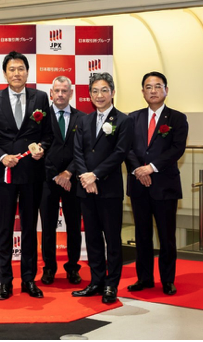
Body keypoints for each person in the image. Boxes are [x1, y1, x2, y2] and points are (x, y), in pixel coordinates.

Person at [0, 51, 53, 300]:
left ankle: (28, 280)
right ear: (5, 73)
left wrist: (41, 148)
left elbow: (48, 135)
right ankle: (5, 282)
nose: (17, 73)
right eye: (12, 69)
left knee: (30, 229)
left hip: (32, 174)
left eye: (21, 68)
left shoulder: (40, 98)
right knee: (5, 229)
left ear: (27, 72)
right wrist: (2, 157)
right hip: (5, 175)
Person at [72, 72, 133, 304]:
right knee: (93, 238)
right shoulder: (83, 120)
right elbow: (77, 152)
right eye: (95, 91)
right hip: (86, 188)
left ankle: (111, 285)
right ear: (89, 95)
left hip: (108, 189)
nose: (99, 95)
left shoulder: (123, 120)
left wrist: (95, 175)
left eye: (104, 90)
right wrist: (85, 178)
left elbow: (120, 153)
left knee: (112, 239)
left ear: (113, 92)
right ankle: (96, 281)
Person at [125, 71, 188, 296]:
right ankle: (144, 279)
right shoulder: (132, 118)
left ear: (166, 90)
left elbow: (177, 149)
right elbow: (126, 148)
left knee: (166, 236)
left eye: (157, 86)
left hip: (164, 186)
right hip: (138, 185)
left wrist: (150, 168)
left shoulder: (177, 118)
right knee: (142, 235)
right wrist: (138, 170)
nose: (153, 91)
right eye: (148, 87)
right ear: (143, 92)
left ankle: (168, 280)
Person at [39, 76, 84, 286]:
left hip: (73, 181)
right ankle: (49, 268)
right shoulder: (40, 118)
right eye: (56, 90)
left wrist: (68, 172)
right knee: (48, 227)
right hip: (47, 181)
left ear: (71, 93)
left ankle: (73, 268)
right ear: (51, 93)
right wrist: (56, 175)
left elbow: (83, 151)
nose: (60, 94)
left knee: (74, 226)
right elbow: (38, 148)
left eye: (64, 91)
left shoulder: (82, 118)